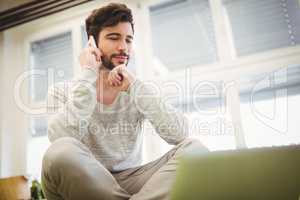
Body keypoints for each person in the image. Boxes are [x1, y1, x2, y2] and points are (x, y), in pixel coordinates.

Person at [41, 3, 208, 200]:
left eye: (128, 40)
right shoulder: (62, 91)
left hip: (131, 181)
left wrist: (134, 87)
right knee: (59, 151)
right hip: (85, 183)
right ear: (92, 43)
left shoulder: (135, 89)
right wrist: (88, 74)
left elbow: (179, 133)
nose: (123, 47)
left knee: (194, 149)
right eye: (114, 38)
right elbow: (62, 142)